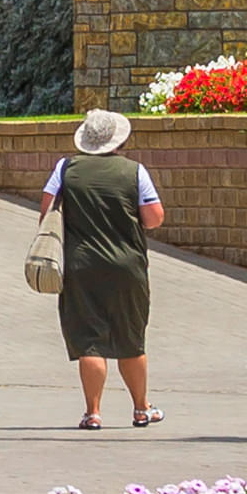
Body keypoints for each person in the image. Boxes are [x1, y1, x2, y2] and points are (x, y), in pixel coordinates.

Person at [48, 107, 162, 426]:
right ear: (117, 140)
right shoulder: (134, 171)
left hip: (81, 265)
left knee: (89, 340)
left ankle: (93, 413)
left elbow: (48, 211)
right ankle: (141, 409)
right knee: (130, 338)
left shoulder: (65, 168)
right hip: (128, 266)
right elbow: (154, 218)